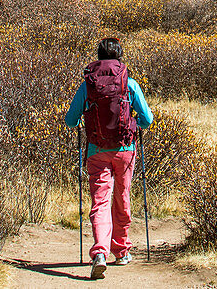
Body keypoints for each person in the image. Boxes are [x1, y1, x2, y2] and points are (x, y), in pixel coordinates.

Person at [65, 37, 153, 280]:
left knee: (100, 201)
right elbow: (147, 119)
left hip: (96, 150)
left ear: (99, 57)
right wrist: (134, 122)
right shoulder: (129, 84)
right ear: (120, 57)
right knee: (122, 197)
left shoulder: (88, 85)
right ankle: (122, 250)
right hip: (125, 149)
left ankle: (100, 253)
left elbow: (70, 120)